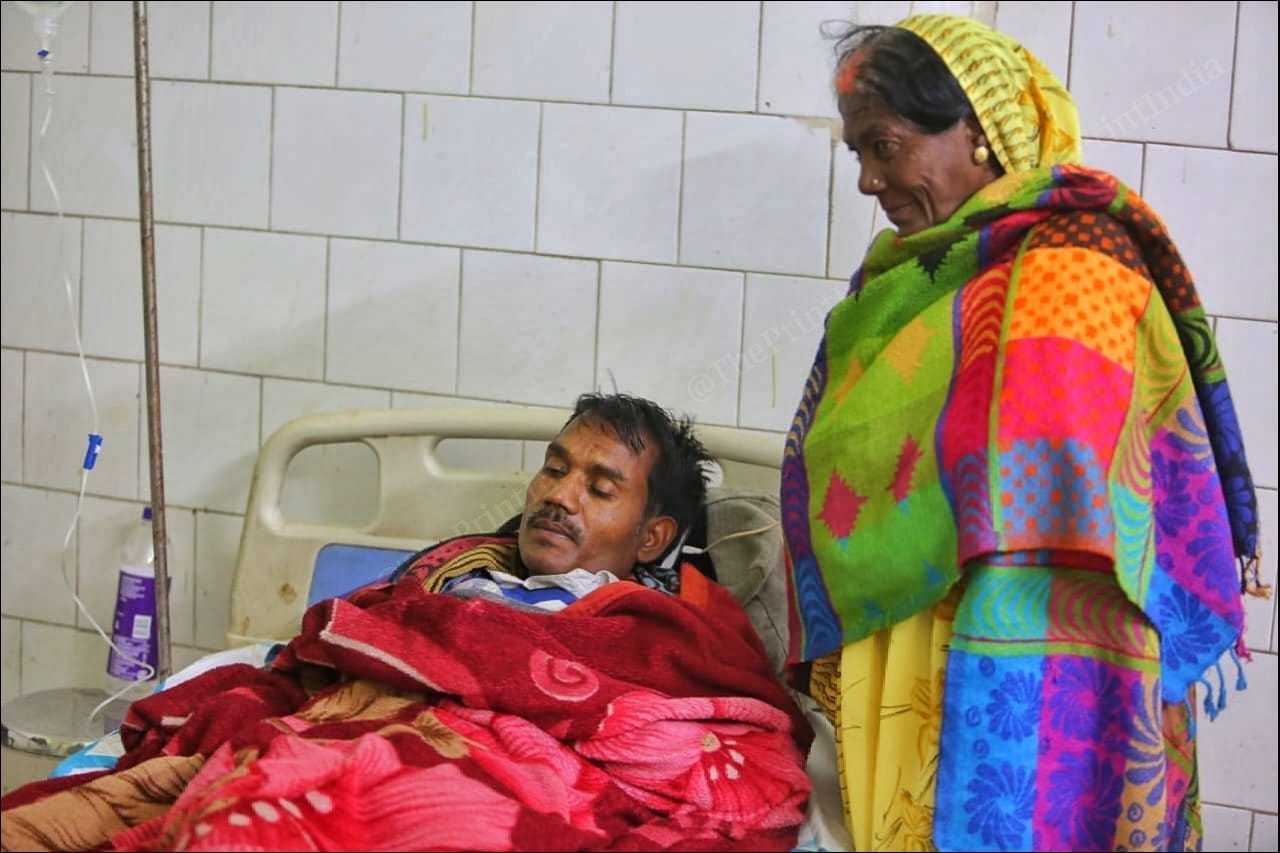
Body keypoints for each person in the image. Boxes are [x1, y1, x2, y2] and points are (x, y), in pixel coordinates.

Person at [779, 13, 1268, 853]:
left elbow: (1071, 491)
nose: (866, 180)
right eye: (855, 151)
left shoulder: (1074, 262)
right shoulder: (900, 279)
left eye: (883, 146)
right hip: (895, 656)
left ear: (974, 131)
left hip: (1039, 665)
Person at [2, 393, 815, 853]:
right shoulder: (453, 574)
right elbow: (334, 650)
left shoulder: (659, 632)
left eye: (599, 486)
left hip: (473, 775)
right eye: (556, 466)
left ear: (652, 538)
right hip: (342, 733)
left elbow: (722, 747)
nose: (559, 493)